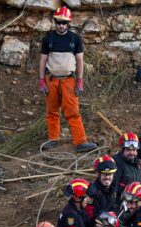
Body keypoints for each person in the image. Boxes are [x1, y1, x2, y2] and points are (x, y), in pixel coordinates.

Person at [39, 6, 97, 153]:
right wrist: (41, 80)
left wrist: (80, 80)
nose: (61, 25)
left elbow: (80, 61)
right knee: (52, 111)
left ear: (68, 23)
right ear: (55, 22)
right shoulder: (49, 38)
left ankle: (80, 142)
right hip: (51, 79)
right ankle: (53, 139)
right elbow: (43, 60)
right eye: (58, 22)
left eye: (64, 23)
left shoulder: (75, 39)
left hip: (69, 80)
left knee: (72, 111)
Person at [85, 155, 118, 227]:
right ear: (97, 174)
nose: (107, 177)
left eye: (110, 174)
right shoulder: (92, 193)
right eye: (104, 174)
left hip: (110, 225)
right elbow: (90, 218)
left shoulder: (114, 187)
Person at [112, 132, 141, 209]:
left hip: (133, 200)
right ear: (122, 150)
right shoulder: (117, 163)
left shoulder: (135, 161)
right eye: (128, 150)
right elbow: (112, 189)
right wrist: (116, 206)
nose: (132, 153)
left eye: (134, 150)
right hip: (122, 203)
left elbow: (139, 176)